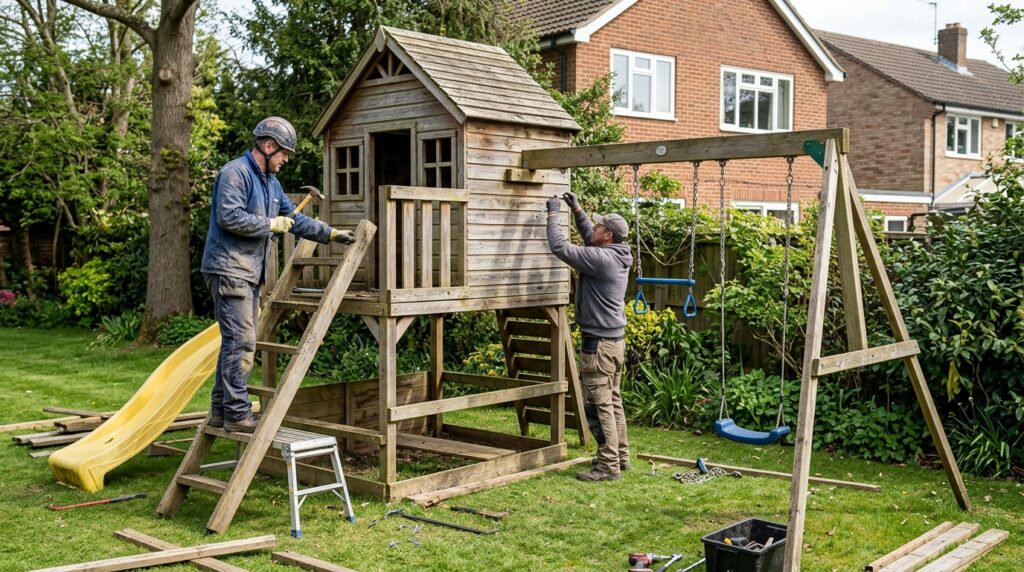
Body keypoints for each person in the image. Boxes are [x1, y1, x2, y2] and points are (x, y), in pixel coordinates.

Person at [200, 116, 355, 433]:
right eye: (284, 152)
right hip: (228, 268)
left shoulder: (271, 184)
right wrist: (269, 225)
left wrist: (331, 234)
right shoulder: (235, 174)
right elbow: (229, 217)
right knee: (242, 343)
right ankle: (239, 416)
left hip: (247, 272)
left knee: (237, 343)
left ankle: (220, 412)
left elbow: (294, 221)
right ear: (268, 146)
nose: (286, 159)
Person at [545, 191, 633, 481]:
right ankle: (620, 457)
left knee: (599, 404)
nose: (592, 228)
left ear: (607, 234)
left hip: (598, 347)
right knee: (613, 400)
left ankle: (607, 466)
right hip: (614, 343)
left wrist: (554, 213)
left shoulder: (601, 260)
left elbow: (559, 246)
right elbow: (589, 237)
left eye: (597, 226)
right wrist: (577, 209)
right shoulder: (617, 254)